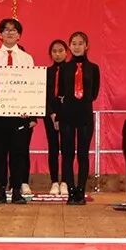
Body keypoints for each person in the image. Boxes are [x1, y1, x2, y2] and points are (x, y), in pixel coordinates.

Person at [0, 18, 36, 205]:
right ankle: (0, 190)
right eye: (6, 30)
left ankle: (16, 190)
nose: (10, 33)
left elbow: (32, 86)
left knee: (18, 153)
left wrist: (30, 111)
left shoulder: (27, 58)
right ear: (0, 35)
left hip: (19, 115)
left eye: (14, 30)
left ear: (19, 35)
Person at [57, 31, 100, 205]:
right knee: (67, 155)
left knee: (83, 154)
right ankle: (70, 191)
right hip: (67, 115)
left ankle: (81, 191)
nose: (77, 46)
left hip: (85, 115)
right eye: (73, 43)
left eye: (80, 43)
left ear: (86, 46)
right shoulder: (64, 68)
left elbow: (94, 93)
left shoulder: (94, 68)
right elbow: (60, 92)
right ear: (69, 46)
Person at [45, 39, 69, 197]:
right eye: (54, 51)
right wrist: (52, 114)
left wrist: (61, 115)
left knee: (67, 148)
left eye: (61, 51)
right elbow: (44, 95)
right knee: (53, 147)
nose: (58, 54)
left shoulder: (71, 70)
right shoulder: (47, 72)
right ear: (50, 54)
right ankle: (54, 181)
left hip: (67, 113)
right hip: (50, 114)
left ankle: (65, 181)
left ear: (66, 52)